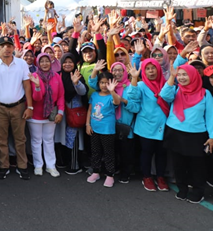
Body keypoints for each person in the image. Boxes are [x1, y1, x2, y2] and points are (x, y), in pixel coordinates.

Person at [0, 36, 32, 180]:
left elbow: (27, 85)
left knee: (20, 138)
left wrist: (30, 106)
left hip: (18, 106)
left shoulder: (21, 63)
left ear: (13, 48)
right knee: (1, 138)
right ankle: (4, 166)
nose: (7, 49)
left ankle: (22, 166)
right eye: (3, 46)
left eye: (9, 46)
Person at [161, 65, 213, 204]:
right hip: (175, 132)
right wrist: (172, 77)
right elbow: (164, 95)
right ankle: (182, 189)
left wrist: (212, 136)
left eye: (185, 74)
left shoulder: (205, 94)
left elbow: (210, 117)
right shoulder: (176, 90)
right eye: (180, 75)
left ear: (193, 75)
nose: (182, 78)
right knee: (178, 164)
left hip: (196, 135)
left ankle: (198, 191)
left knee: (197, 166)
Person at [126, 59, 170, 192]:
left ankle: (160, 177)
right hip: (146, 125)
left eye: (153, 68)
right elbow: (132, 96)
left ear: (158, 69)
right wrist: (134, 78)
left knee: (161, 153)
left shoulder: (165, 84)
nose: (151, 71)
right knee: (147, 152)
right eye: (148, 69)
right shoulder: (140, 85)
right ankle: (147, 177)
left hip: (163, 125)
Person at [28, 53, 64, 178]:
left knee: (49, 140)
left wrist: (60, 112)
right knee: (36, 141)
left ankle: (51, 166)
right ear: (38, 63)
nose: (44, 64)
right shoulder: (34, 76)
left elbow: (60, 96)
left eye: (46, 61)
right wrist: (37, 86)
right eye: (41, 61)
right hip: (36, 115)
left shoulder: (56, 77)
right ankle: (38, 165)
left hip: (50, 114)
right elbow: (36, 98)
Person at [86, 72, 121, 188]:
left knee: (108, 153)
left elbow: (117, 102)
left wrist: (112, 91)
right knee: (95, 151)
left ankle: (110, 175)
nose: (104, 85)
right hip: (95, 129)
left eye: (107, 83)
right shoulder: (95, 95)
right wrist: (87, 124)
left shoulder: (112, 95)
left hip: (107, 130)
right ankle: (96, 172)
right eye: (102, 82)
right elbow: (90, 110)